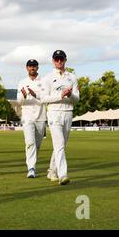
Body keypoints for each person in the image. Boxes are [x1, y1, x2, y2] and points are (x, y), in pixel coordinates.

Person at [41, 50, 79, 185]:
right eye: (56, 59)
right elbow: (43, 98)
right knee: (59, 144)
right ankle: (63, 174)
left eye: (61, 59)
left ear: (65, 60)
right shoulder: (47, 78)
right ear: (53, 60)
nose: (59, 61)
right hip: (54, 113)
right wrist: (60, 96)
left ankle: (52, 170)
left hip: (68, 112)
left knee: (61, 145)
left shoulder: (72, 77)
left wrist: (70, 95)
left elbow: (77, 99)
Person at [17, 59, 47, 178]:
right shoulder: (22, 82)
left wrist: (36, 95)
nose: (32, 68)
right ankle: (31, 168)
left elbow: (46, 98)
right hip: (27, 117)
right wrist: (24, 96)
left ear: (37, 68)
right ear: (27, 68)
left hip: (41, 116)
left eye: (34, 66)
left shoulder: (44, 81)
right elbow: (19, 101)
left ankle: (33, 163)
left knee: (37, 144)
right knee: (30, 143)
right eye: (30, 66)